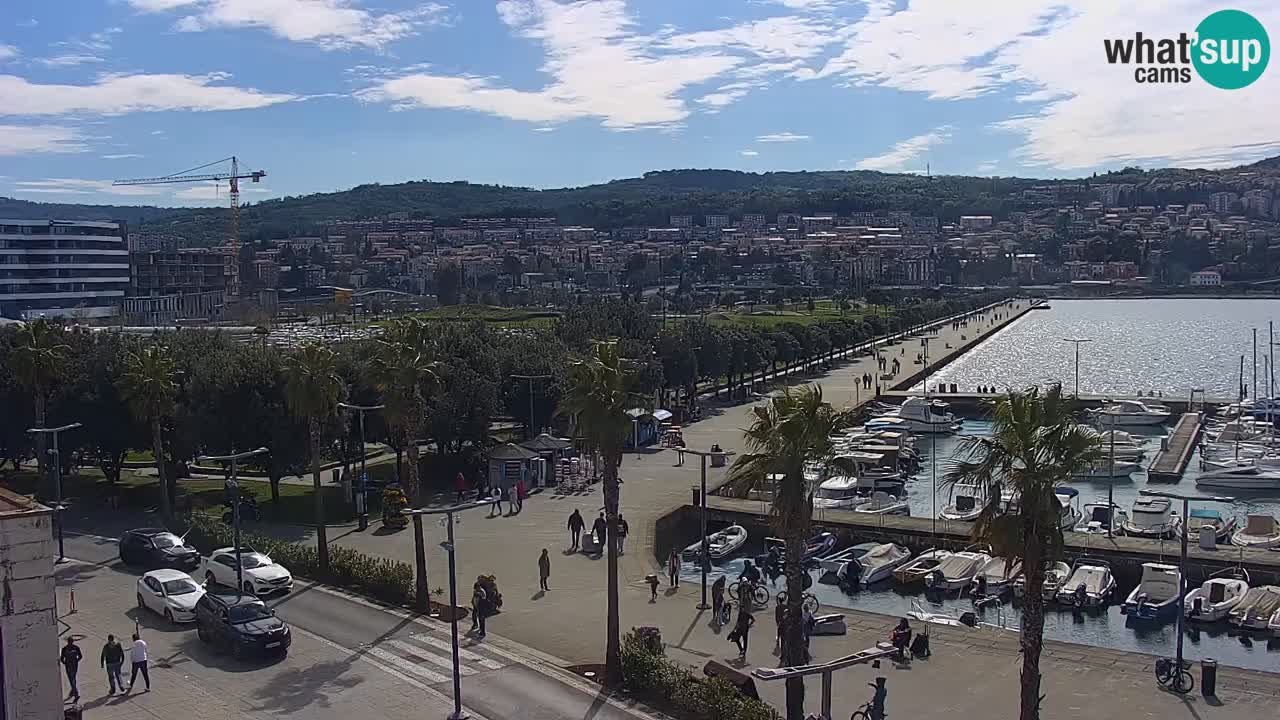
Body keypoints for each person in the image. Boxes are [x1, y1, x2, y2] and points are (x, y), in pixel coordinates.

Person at [60, 636, 82, 702]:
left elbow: (62, 659)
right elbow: (80, 656)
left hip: (69, 666)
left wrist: (65, 663)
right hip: (74, 666)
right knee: (73, 679)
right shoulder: (76, 648)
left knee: (72, 680)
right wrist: (76, 661)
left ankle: (76, 694)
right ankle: (73, 691)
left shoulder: (65, 649)